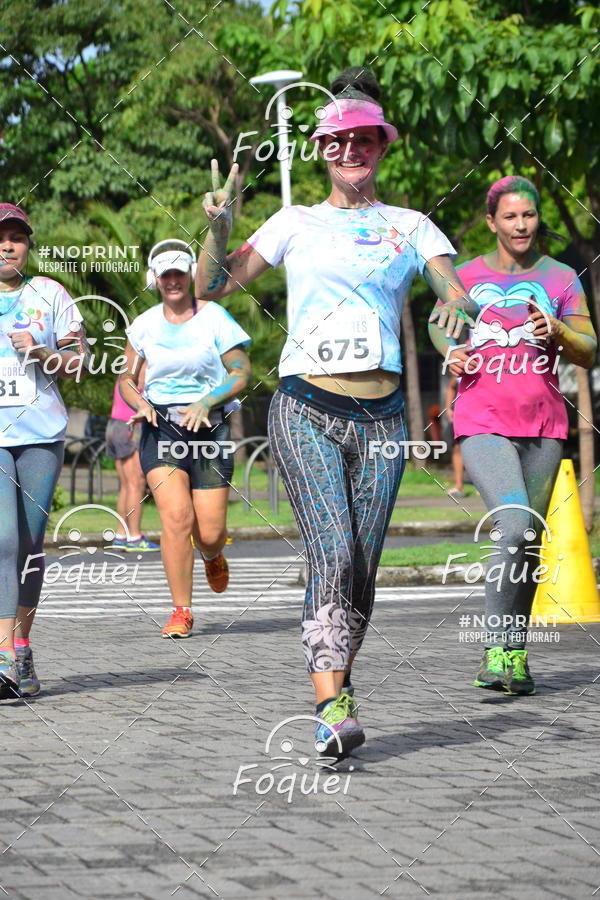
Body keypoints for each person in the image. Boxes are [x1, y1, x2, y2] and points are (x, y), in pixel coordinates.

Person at [195, 68, 476, 760]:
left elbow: (454, 288)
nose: (351, 152)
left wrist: (458, 307)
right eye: (337, 142)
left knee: (363, 570)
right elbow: (212, 284)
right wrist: (219, 224)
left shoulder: (410, 226)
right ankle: (329, 705)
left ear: (382, 147)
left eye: (364, 141)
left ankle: (339, 688)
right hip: (306, 406)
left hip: (383, 420)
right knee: (334, 548)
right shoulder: (294, 222)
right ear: (322, 152)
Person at [429, 175, 597, 695]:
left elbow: (589, 348)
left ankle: (513, 653)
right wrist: (448, 350)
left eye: (528, 215)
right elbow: (439, 321)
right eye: (510, 217)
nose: (521, 225)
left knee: (529, 542)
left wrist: (560, 331)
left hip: (545, 424)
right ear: (492, 222)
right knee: (516, 526)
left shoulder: (563, 276)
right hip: (481, 418)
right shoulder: (466, 274)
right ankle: (496, 648)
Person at [119, 240, 251, 639]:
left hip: (209, 428)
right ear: (155, 279)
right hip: (162, 428)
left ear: (190, 274)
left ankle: (212, 554)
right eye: (165, 275)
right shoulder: (143, 324)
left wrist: (207, 400)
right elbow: (125, 379)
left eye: (179, 273)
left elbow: (241, 371)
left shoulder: (215, 317)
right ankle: (181, 610)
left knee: (208, 532)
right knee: (176, 519)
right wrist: (139, 403)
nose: (173, 281)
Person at [0, 203, 90, 699]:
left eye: (16, 237)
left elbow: (79, 361)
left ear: (27, 246)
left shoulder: (50, 295)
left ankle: (22, 646)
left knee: (32, 548)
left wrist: (40, 351)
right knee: (4, 540)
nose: (7, 245)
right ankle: (3, 655)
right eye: (0, 237)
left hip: (39, 434)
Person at [105, 378, 160, 551]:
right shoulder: (142, 359)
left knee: (127, 486)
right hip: (131, 424)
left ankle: (121, 535)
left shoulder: (127, 360)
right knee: (136, 484)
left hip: (115, 424)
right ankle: (135, 537)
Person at [444, 374, 466, 499]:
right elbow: (452, 386)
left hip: (484, 414)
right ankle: (459, 486)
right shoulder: (462, 365)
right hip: (461, 414)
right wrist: (448, 409)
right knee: (457, 448)